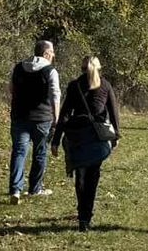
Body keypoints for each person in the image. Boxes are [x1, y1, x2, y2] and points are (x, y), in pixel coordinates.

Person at [51, 55, 120, 231]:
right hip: (96, 138)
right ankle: (86, 215)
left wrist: (56, 139)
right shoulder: (105, 85)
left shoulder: (75, 86)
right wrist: (115, 136)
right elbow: (113, 112)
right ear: (99, 68)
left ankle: (82, 215)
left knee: (80, 177)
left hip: (77, 138)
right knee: (93, 175)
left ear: (82, 69)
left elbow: (65, 114)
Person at [8, 39, 60, 203]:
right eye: (52, 52)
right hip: (41, 119)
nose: (53, 55)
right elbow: (55, 96)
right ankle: (34, 188)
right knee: (39, 153)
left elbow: (11, 89)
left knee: (19, 152)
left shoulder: (18, 67)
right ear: (46, 53)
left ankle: (15, 189)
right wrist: (56, 119)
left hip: (19, 116)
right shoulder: (50, 71)